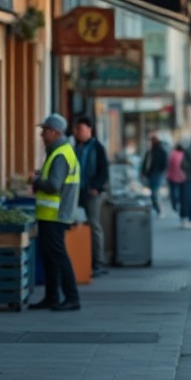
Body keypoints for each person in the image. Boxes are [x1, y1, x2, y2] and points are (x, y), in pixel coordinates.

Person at [30, 113, 81, 311]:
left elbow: (53, 184)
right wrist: (35, 174)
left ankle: (71, 297)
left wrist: (35, 180)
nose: (42, 134)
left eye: (45, 131)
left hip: (55, 214)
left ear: (55, 132)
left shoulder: (60, 154)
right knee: (50, 256)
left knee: (58, 256)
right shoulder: (56, 151)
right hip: (50, 215)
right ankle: (52, 297)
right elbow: (47, 174)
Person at [73, 115, 109, 277]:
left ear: (89, 130)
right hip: (76, 192)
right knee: (75, 224)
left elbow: (104, 170)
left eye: (80, 129)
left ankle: (98, 263)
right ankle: (80, 261)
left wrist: (96, 187)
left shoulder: (97, 147)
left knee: (94, 226)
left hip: (92, 192)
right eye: (76, 129)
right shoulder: (74, 147)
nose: (77, 132)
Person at [141, 133, 169, 217]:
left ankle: (159, 209)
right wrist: (144, 172)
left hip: (156, 174)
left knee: (154, 193)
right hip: (150, 174)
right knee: (153, 193)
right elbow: (145, 163)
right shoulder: (150, 151)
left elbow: (164, 163)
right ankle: (156, 209)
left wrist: (160, 171)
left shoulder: (161, 151)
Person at [167, 142, 186, 216]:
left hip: (172, 176)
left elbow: (168, 164)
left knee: (173, 191)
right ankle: (180, 202)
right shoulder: (184, 155)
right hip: (182, 176)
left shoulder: (172, 154)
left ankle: (174, 204)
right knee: (181, 191)